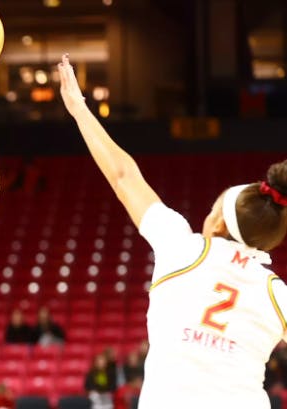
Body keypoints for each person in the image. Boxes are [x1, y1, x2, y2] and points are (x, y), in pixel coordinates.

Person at [59, 54, 287, 408]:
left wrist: (78, 108)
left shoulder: (183, 248)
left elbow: (123, 176)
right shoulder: (276, 293)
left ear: (221, 222)